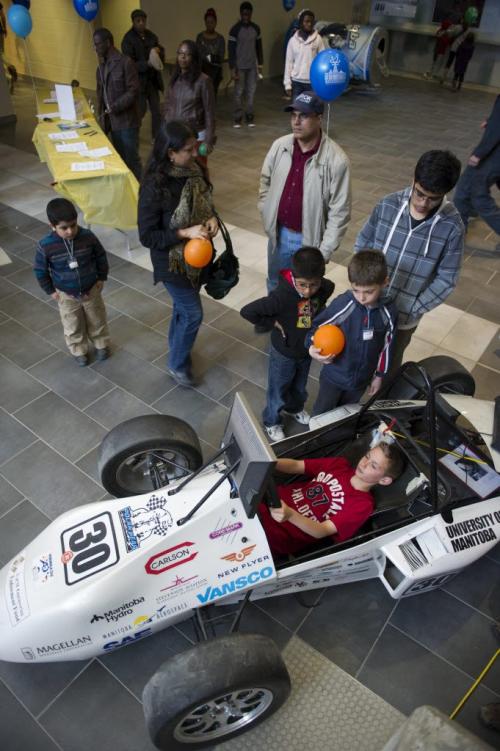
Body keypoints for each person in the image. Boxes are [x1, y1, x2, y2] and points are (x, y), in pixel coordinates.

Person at [354, 150, 463, 376]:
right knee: (358, 353)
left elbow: (447, 278)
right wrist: (361, 280)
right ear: (413, 180)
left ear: (445, 193)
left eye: (433, 198)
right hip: (367, 305)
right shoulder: (388, 204)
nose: (424, 203)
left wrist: (415, 306)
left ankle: (379, 403)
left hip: (402, 319)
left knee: (389, 366)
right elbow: (364, 240)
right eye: (420, 193)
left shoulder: (452, 227)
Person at [138, 120, 218, 387]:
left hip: (196, 259)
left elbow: (207, 205)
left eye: (194, 147)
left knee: (182, 309)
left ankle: (177, 349)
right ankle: (177, 363)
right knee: (193, 313)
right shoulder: (153, 186)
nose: (194, 154)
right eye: (188, 150)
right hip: (171, 263)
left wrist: (211, 220)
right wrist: (184, 233)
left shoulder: (194, 171)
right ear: (170, 153)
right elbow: (147, 236)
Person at [259, 90, 351, 293]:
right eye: (293, 115)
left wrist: (323, 252)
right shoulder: (280, 146)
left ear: (319, 119)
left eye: (304, 116)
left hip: (309, 242)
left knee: (305, 293)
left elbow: (340, 212)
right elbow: (265, 183)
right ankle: (272, 321)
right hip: (279, 233)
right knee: (275, 281)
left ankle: (300, 326)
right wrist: (267, 213)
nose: (296, 122)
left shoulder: (336, 160)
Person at [240, 247, 335, 442]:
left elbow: (325, 293)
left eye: (313, 285)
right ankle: (272, 421)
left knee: (299, 387)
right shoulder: (280, 297)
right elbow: (247, 311)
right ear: (293, 276)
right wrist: (271, 322)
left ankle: (294, 409)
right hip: (283, 353)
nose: (308, 291)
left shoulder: (325, 287)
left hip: (306, 352)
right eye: (302, 285)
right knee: (278, 389)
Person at [259, 441, 405, 556]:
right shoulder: (339, 465)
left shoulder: (362, 504)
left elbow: (322, 530)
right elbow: (297, 465)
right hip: (266, 499)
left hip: (281, 533)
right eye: (367, 456)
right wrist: (272, 463)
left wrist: (290, 515)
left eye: (373, 466)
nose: (364, 463)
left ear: (384, 480)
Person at [307, 250, 397, 416]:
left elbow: (387, 346)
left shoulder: (389, 311)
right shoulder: (344, 304)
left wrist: (379, 376)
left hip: (361, 381)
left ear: (385, 282)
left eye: (369, 292)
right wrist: (311, 346)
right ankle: (313, 441)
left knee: (345, 415)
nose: (361, 298)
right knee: (321, 413)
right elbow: (316, 327)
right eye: (356, 290)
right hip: (334, 377)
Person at [33, 198, 110, 367]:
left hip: (91, 289)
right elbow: (40, 270)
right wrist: (51, 291)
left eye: (73, 225)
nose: (70, 231)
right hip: (65, 294)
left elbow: (100, 256)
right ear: (52, 225)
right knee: (72, 324)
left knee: (97, 319)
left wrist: (101, 277)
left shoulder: (88, 237)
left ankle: (101, 344)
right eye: (64, 228)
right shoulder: (45, 245)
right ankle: (79, 350)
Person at [93, 27, 142, 180]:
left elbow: (133, 91)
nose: (95, 48)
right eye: (94, 45)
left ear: (108, 43)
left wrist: (115, 106)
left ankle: (140, 192)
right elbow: (100, 95)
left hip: (127, 122)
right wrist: (100, 118)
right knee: (119, 160)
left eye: (98, 44)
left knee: (131, 160)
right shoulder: (101, 67)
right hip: (111, 123)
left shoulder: (125, 62)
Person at [453, 95, 500, 240]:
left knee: (470, 193)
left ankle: (456, 236)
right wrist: (491, 120)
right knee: (467, 192)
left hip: (493, 156)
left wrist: (479, 153)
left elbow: (497, 129)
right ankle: (466, 216)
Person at [163, 39, 216, 159]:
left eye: (187, 55)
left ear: (194, 57)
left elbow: (210, 112)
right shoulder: (174, 78)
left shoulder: (203, 80)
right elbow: (167, 105)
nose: (183, 57)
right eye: (180, 54)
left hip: (195, 135)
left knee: (197, 171)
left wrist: (208, 140)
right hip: (175, 135)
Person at [121, 8, 165, 140]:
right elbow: (129, 63)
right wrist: (147, 64)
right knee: (140, 111)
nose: (141, 23)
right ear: (133, 22)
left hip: (152, 80)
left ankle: (156, 137)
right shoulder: (128, 39)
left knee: (156, 110)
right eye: (138, 21)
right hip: (138, 82)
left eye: (143, 21)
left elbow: (161, 51)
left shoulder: (151, 36)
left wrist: (158, 51)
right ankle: (133, 135)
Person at [228, 1, 263, 128]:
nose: (246, 16)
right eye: (244, 14)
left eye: (248, 14)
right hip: (239, 67)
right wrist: (232, 68)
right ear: (240, 13)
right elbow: (231, 50)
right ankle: (237, 117)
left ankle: (249, 116)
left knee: (251, 92)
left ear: (251, 14)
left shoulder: (256, 29)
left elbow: (259, 48)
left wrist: (260, 65)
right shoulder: (235, 30)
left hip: (252, 67)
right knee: (238, 92)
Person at [284, 8, 324, 101]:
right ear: (301, 23)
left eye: (311, 22)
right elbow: (288, 63)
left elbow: (322, 60)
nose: (309, 24)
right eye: (306, 21)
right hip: (296, 83)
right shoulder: (293, 41)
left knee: (310, 112)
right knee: (297, 112)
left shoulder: (318, 39)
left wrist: (321, 82)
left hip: (312, 83)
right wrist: (287, 85)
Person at [196, 8, 225, 99]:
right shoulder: (200, 37)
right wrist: (211, 57)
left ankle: (211, 113)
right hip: (202, 72)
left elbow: (220, 57)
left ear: (216, 22)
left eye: (212, 22)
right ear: (205, 22)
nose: (210, 24)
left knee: (212, 97)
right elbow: (199, 54)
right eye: (207, 22)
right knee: (202, 97)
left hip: (215, 74)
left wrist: (207, 57)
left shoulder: (220, 39)